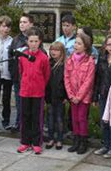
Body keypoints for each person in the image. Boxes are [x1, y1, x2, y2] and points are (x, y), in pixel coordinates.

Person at [16, 27, 50, 155]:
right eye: (31, 41)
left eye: (36, 41)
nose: (33, 44)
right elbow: (21, 71)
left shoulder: (43, 58)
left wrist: (40, 85)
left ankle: (36, 142)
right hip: (25, 91)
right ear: (27, 41)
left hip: (37, 92)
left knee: (37, 118)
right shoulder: (23, 56)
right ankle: (25, 142)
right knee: (25, 117)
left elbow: (46, 75)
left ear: (40, 42)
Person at [64, 32, 96, 155]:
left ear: (86, 46)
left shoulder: (89, 61)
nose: (76, 45)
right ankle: (76, 140)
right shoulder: (70, 59)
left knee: (82, 118)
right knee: (74, 118)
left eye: (79, 43)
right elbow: (66, 77)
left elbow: (89, 80)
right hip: (73, 96)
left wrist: (79, 96)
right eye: (75, 43)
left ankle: (83, 141)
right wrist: (71, 94)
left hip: (83, 97)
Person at [8, 13, 34, 131]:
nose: (22, 24)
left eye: (25, 22)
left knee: (29, 104)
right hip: (18, 77)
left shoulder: (34, 39)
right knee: (19, 103)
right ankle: (19, 123)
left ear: (31, 24)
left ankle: (27, 126)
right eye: (20, 22)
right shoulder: (15, 40)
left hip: (30, 77)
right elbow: (10, 58)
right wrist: (13, 73)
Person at [45, 42, 68, 150]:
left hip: (60, 97)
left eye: (57, 50)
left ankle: (59, 139)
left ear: (62, 52)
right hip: (49, 96)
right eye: (52, 50)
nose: (54, 52)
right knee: (50, 118)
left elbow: (66, 82)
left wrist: (66, 96)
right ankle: (50, 138)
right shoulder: (48, 63)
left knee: (59, 118)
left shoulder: (64, 65)